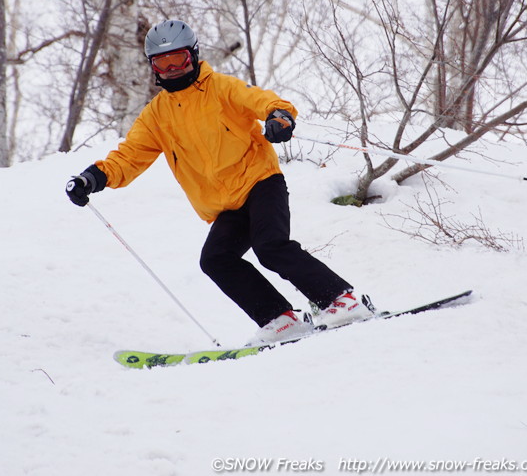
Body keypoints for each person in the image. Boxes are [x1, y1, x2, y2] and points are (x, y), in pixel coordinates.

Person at [66, 20, 371, 345]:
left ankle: (342, 301)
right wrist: (93, 178)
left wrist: (279, 117)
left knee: (270, 247)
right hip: (226, 205)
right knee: (215, 260)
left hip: (260, 182)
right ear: (153, 67)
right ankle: (280, 320)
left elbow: (265, 101)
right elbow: (129, 156)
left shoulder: (222, 88)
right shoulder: (156, 116)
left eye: (178, 59)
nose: (171, 69)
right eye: (162, 63)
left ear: (194, 56)